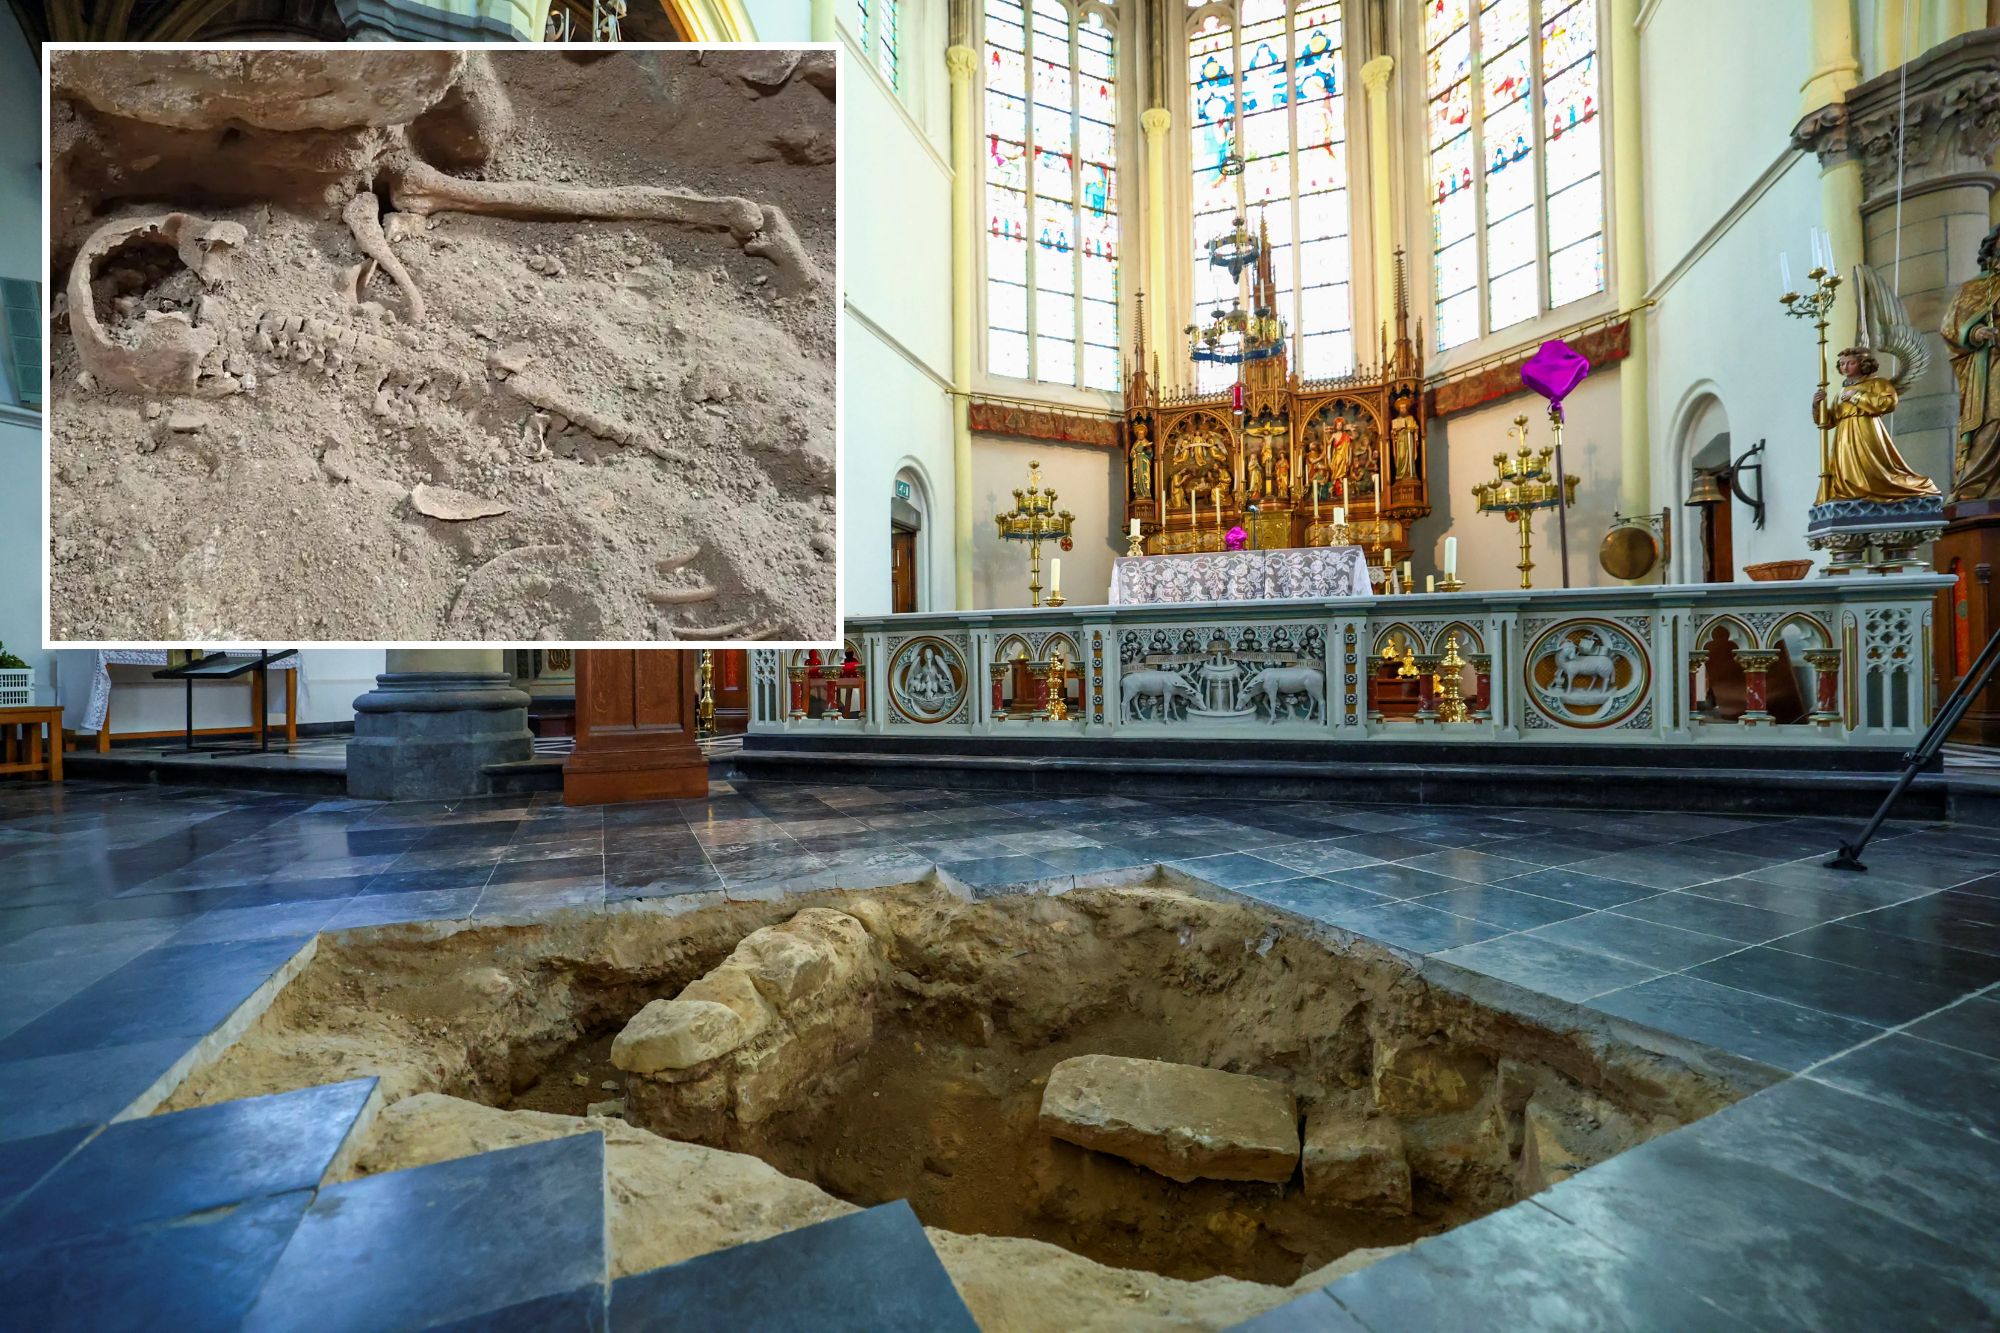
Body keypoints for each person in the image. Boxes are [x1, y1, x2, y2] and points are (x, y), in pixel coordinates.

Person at [1811, 347, 1940, 504]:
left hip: (1866, 429)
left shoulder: (1877, 383)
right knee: (1845, 472)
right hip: (1843, 435)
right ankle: (1851, 496)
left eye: (1850, 363)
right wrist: (1818, 405)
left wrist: (1857, 396)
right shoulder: (1842, 391)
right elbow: (1829, 421)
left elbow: (1888, 403)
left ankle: (1876, 493)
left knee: (1872, 469)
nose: (1845, 367)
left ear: (1863, 364)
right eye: (1842, 363)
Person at [1942, 224, 2000, 501]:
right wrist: (1976, 332)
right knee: (1994, 419)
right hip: (1992, 364)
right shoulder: (1975, 288)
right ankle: (1976, 486)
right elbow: (1951, 327)